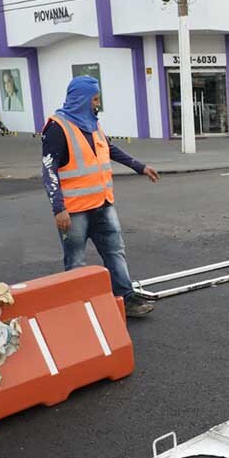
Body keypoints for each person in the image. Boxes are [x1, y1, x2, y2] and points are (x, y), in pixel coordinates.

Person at [40, 76, 159, 317]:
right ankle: (78, 307)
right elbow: (48, 169)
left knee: (115, 252)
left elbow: (110, 148)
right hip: (74, 211)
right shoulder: (57, 128)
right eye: (94, 99)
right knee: (76, 261)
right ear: (82, 99)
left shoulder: (92, 124)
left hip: (103, 204)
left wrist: (140, 166)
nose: (97, 104)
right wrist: (58, 208)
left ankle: (126, 299)